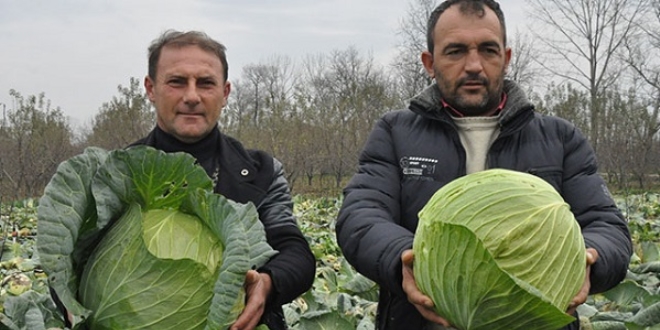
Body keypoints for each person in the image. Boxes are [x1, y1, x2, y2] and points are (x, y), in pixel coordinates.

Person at [335, 0, 632, 329]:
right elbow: (360, 217)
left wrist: (590, 258)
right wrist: (407, 259)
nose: (473, 65)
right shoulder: (395, 132)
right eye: (456, 51)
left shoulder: (560, 139)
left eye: (488, 50)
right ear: (429, 62)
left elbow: (608, 227)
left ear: (505, 59)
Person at [131, 30, 315, 330]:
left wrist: (267, 285)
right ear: (151, 88)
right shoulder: (116, 174)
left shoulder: (261, 171)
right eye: (177, 82)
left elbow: (294, 252)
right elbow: (71, 264)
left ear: (225, 93)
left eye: (205, 83)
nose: (192, 96)